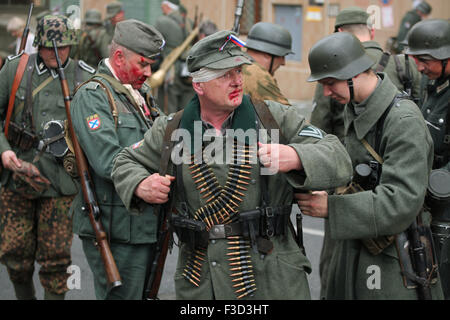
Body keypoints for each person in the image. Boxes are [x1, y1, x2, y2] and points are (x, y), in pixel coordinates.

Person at [111, 30, 353, 300]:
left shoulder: (273, 118)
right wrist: (140, 184)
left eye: (239, 71)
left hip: (271, 275)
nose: (237, 81)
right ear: (198, 85)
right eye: (224, 75)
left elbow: (338, 157)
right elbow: (124, 161)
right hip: (200, 278)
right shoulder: (172, 129)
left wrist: (296, 157)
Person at [298, 31, 444, 300]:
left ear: (355, 74)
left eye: (331, 83)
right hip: (356, 243)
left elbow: (400, 202)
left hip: (392, 255)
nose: (327, 92)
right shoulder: (356, 106)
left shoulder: (403, 121)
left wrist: (333, 207)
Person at [0, 14, 95, 300]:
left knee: (56, 260)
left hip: (61, 183)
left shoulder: (85, 77)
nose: (57, 52)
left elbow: (96, 128)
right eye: (50, 46)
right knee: (15, 257)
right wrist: (4, 149)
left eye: (64, 46)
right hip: (17, 176)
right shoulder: (16, 70)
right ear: (38, 45)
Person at [70, 19, 165, 300]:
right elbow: (106, 158)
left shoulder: (138, 94)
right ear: (119, 57)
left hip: (143, 225)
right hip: (116, 227)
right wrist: (141, 183)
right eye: (144, 64)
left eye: (151, 65)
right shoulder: (93, 96)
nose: (149, 72)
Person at [405, 19, 450, 300]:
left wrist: (441, 179)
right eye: (416, 60)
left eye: (425, 60)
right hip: (424, 195)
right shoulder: (429, 82)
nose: (419, 67)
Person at [154, 0, 195, 114]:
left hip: (170, 71)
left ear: (167, 6)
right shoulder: (189, 22)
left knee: (168, 110)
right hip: (187, 70)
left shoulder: (162, 22)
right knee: (185, 110)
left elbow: (154, 45)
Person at [243, 22, 292, 105]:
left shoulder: (236, 62)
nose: (283, 63)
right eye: (282, 56)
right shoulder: (258, 75)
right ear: (267, 54)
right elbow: (287, 115)